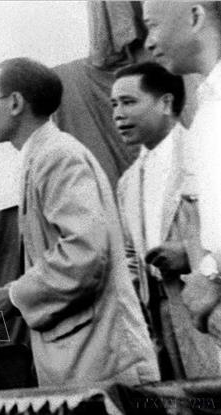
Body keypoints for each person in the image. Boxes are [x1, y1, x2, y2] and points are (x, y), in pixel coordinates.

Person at [0, 57, 159, 386]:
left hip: (105, 361)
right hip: (86, 358)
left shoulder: (57, 157)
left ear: (15, 103)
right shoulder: (43, 156)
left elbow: (85, 252)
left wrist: (15, 296)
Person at [112, 61, 221, 379]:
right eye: (114, 105)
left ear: (166, 103)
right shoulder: (128, 182)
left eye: (129, 102)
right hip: (160, 320)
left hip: (207, 304)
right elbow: (130, 255)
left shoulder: (202, 153)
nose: (118, 114)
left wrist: (189, 252)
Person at [144, 1, 221, 342]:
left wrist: (212, 275)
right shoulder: (207, 111)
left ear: (195, 17)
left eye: (153, 25)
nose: (148, 42)